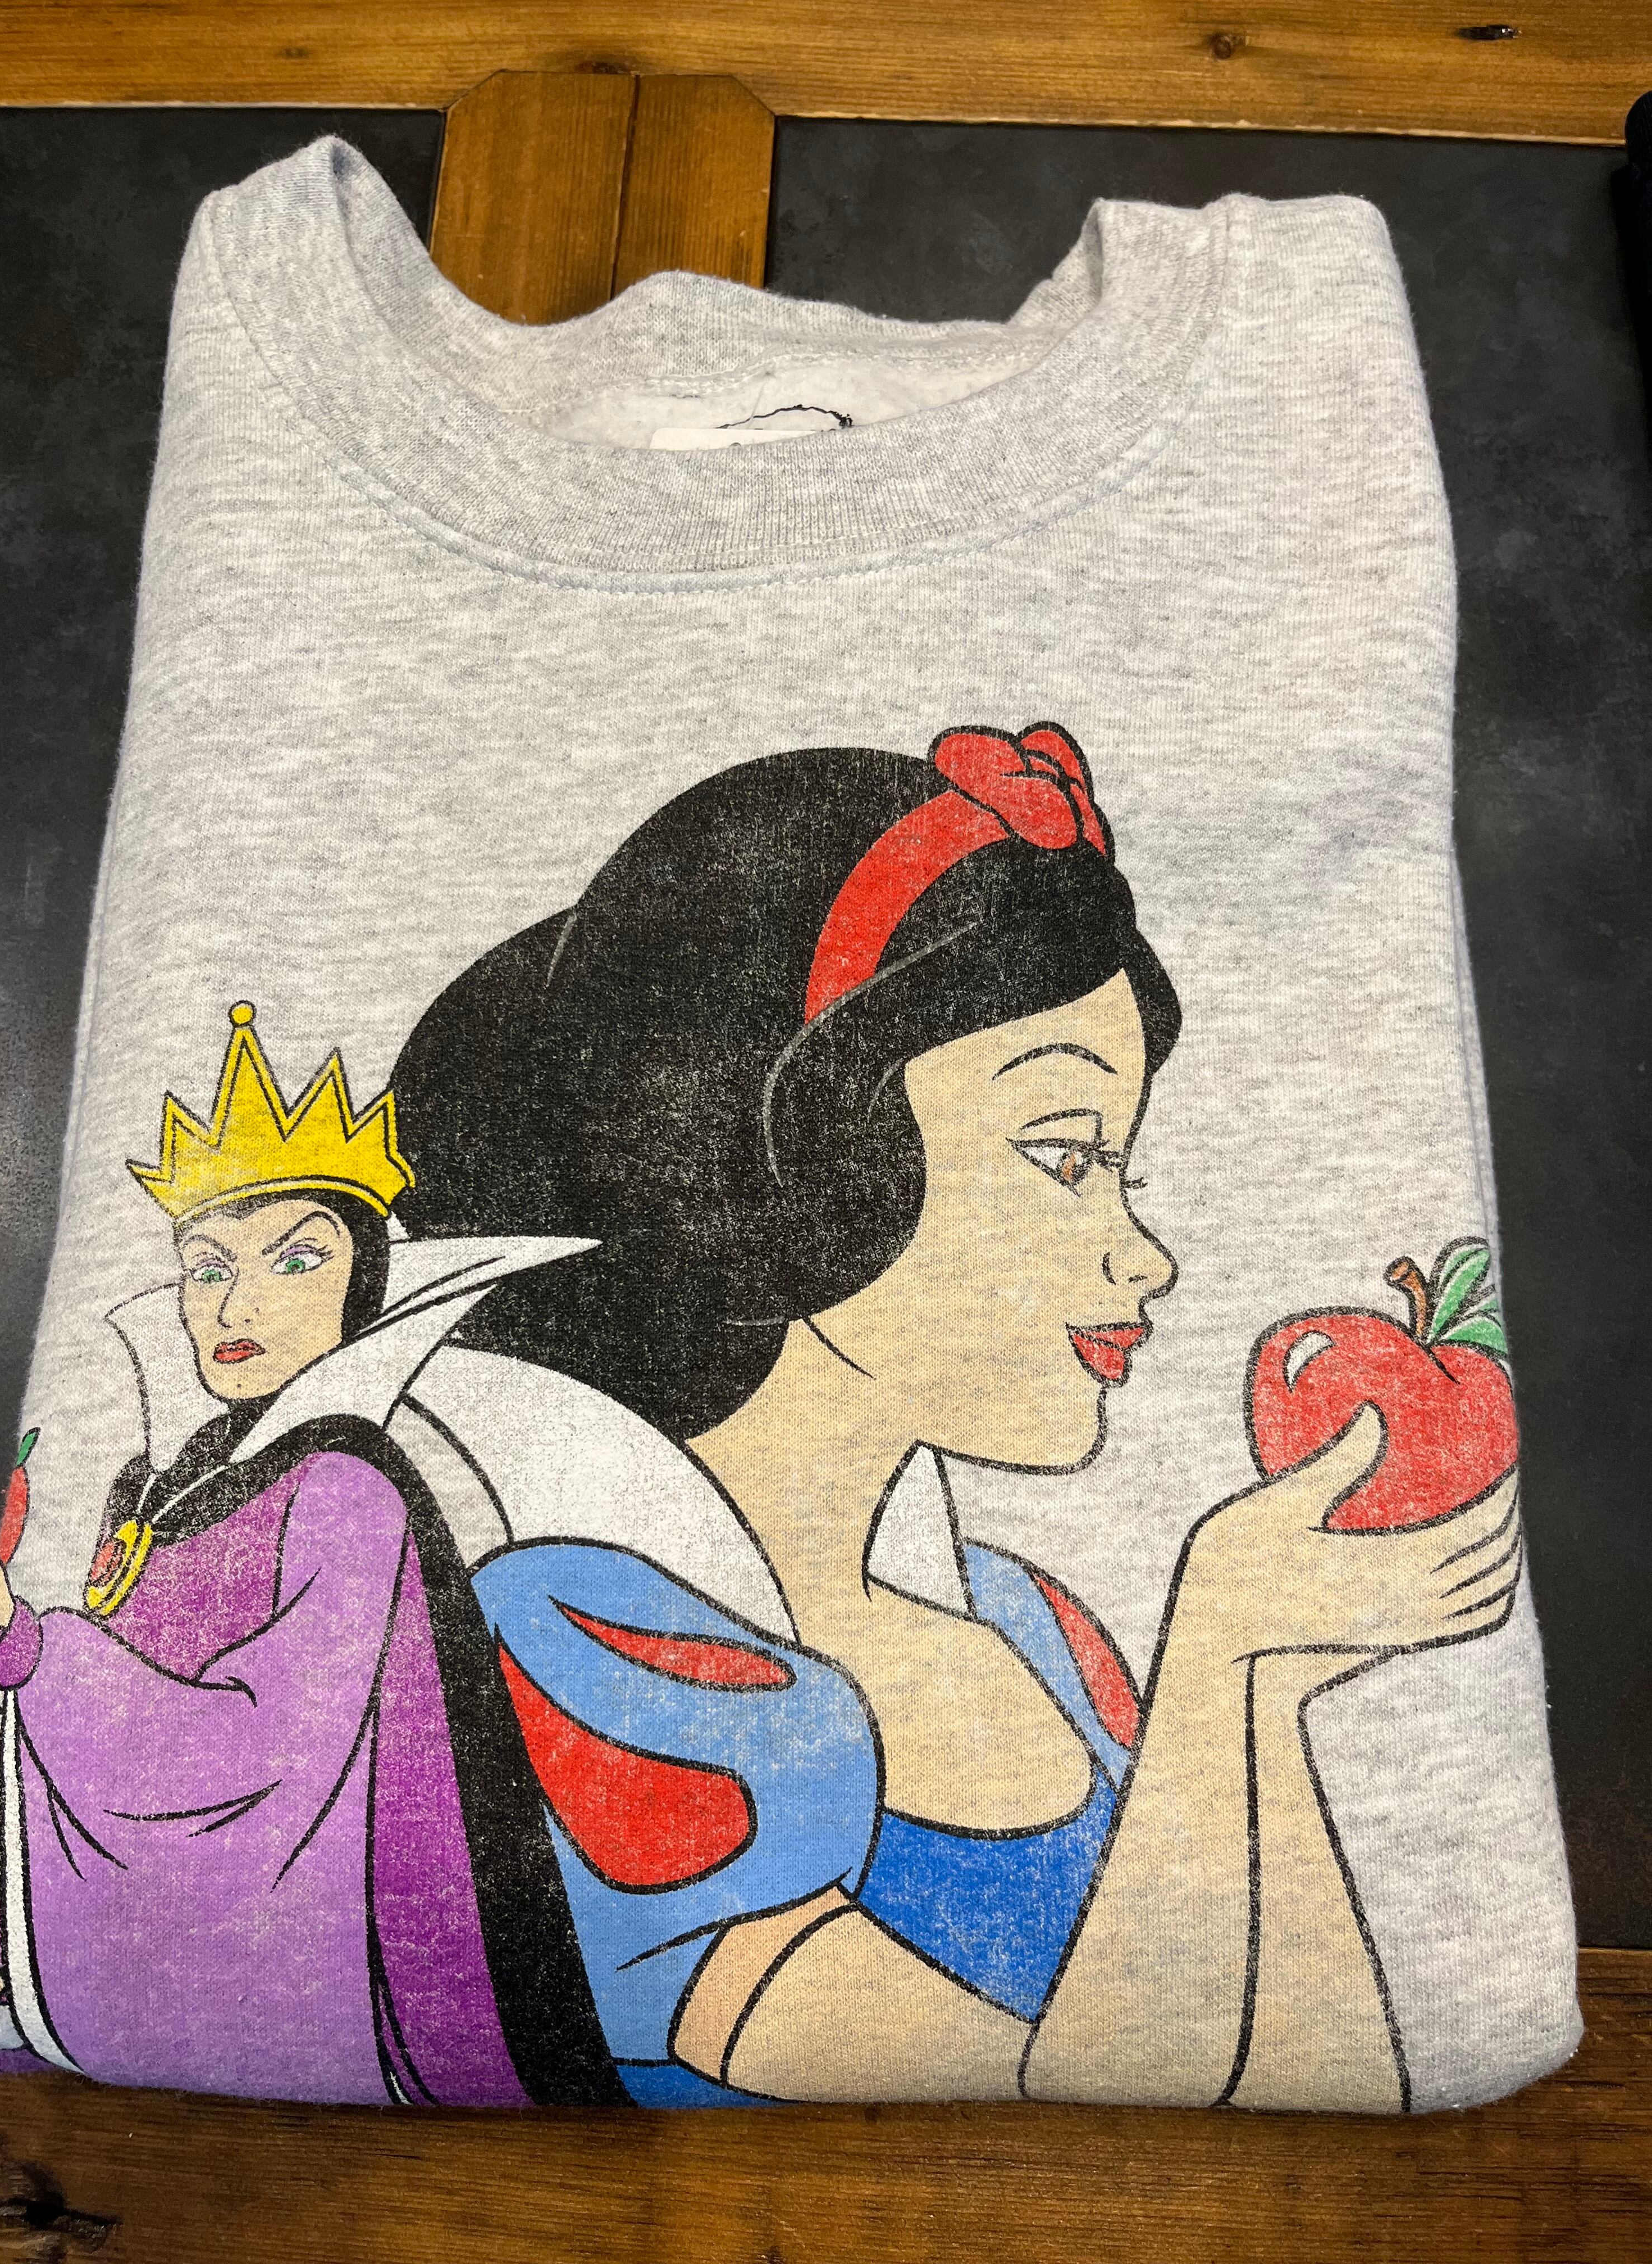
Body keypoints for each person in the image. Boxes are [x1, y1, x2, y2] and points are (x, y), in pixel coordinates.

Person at [391, 721, 1522, 2113]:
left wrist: (1264, 1692)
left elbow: (1318, 2079)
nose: (1145, 1257)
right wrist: (1219, 1662)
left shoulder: (1039, 1634)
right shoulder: (588, 1653)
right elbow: (1069, 2093)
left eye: (1126, 1169)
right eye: (1065, 1154)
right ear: (795, 1159)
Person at [0, 1004, 621, 2106]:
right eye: (205, 1266)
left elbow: (256, 1758)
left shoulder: (344, 1492)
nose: (237, 1303)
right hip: (138, 1958)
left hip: (305, 1980)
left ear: (363, 1288)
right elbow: (69, 1778)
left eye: (297, 1258)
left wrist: (30, 1648)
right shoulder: (154, 1492)